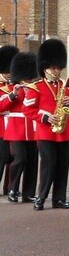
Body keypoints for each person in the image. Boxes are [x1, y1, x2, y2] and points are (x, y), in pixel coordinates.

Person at [24, 39, 69, 210]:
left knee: (62, 166)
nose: (56, 71)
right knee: (49, 165)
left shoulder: (64, 86)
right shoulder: (36, 87)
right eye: (53, 68)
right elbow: (28, 109)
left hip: (64, 131)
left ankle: (59, 199)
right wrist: (45, 118)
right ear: (44, 68)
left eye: (59, 68)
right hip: (46, 132)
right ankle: (41, 197)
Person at [1, 52, 38, 203]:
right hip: (16, 130)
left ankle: (28, 193)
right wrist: (14, 94)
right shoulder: (10, 89)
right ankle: (12, 189)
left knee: (32, 162)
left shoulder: (35, 87)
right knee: (19, 159)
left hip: (33, 130)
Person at [0, 45, 19, 196]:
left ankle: (10, 187)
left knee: (13, 158)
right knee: (2, 157)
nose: (8, 74)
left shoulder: (15, 85)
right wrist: (12, 97)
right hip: (1, 128)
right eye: (5, 72)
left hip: (13, 127)